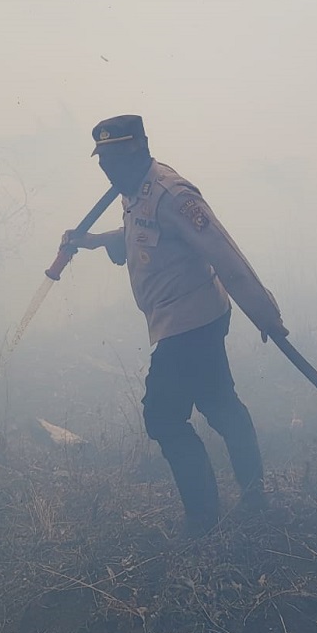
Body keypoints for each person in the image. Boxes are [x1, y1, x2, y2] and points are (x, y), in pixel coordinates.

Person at [61, 114, 288, 534]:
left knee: (163, 418)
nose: (107, 170)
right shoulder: (132, 189)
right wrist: (94, 241)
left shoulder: (173, 194)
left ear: (140, 150)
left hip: (192, 321)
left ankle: (202, 521)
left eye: (114, 160)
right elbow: (141, 234)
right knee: (220, 404)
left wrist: (265, 313)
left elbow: (225, 254)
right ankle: (255, 498)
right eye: (102, 162)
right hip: (181, 319)